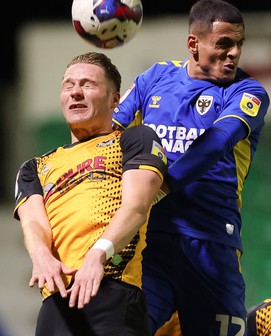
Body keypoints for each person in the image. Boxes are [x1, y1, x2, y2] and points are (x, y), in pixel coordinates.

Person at [112, 0, 270, 335]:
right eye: (224, 44)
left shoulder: (248, 91)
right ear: (193, 44)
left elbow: (216, 142)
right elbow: (110, 136)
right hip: (152, 244)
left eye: (239, 44)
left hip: (212, 243)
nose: (234, 53)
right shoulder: (155, 78)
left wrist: (159, 190)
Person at [13, 51, 168, 336]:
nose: (75, 92)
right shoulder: (34, 168)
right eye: (68, 85)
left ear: (114, 99)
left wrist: (98, 255)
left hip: (113, 288)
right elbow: (33, 222)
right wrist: (41, 256)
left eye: (87, 84)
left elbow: (136, 207)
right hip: (55, 303)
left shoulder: (134, 140)